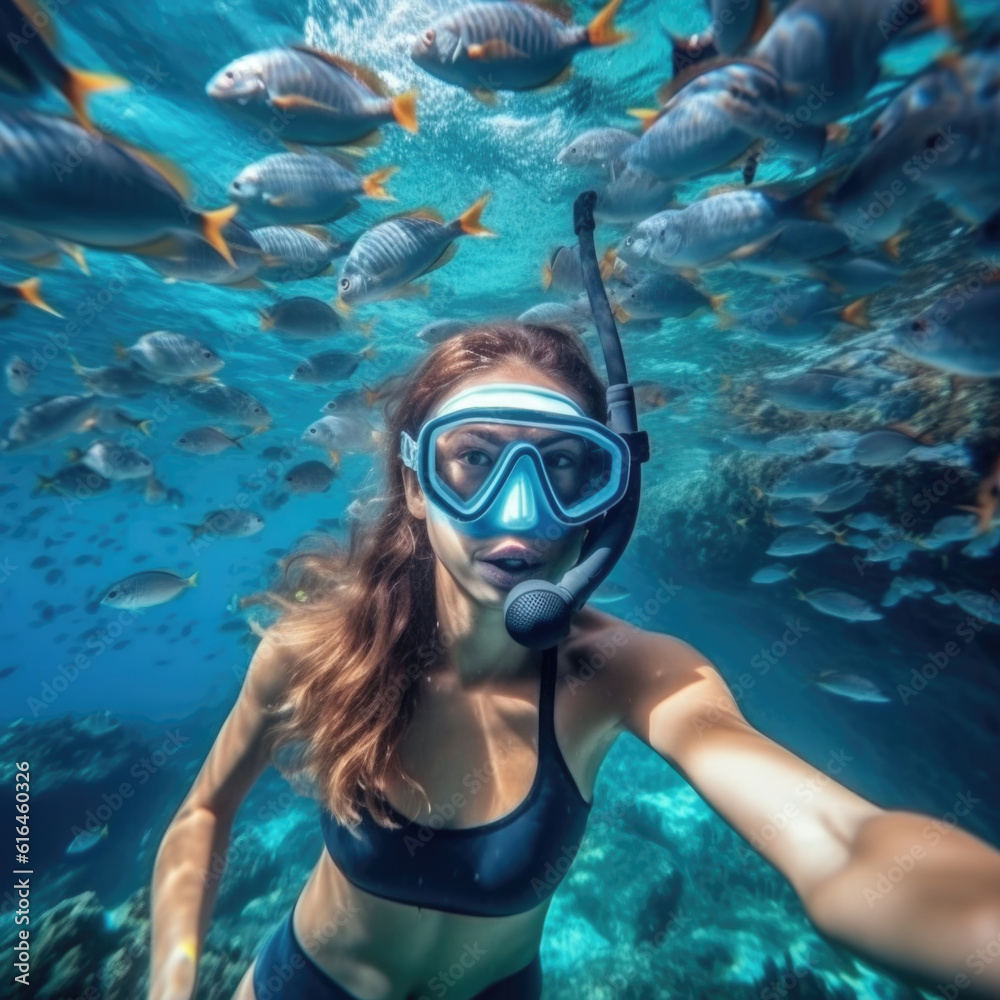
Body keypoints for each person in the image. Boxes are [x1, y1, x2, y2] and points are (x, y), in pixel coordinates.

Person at [147, 322, 1000, 1000]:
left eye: (563, 468)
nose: (518, 514)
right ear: (416, 483)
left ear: (606, 496)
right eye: (474, 461)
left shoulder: (629, 671)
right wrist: (174, 980)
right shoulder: (309, 652)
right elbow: (202, 816)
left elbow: (841, 842)